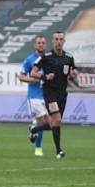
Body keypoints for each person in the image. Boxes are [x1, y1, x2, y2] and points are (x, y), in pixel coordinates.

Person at [30, 30, 78, 160]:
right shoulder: (46, 56)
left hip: (62, 93)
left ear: (64, 41)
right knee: (57, 120)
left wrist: (73, 75)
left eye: (61, 39)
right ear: (53, 41)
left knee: (54, 123)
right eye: (56, 39)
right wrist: (45, 76)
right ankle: (59, 151)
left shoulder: (69, 57)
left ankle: (34, 130)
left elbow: (71, 74)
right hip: (50, 93)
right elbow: (33, 73)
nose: (58, 42)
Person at [18, 36, 48, 157]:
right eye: (39, 43)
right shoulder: (29, 60)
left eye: (43, 42)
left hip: (46, 96)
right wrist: (32, 79)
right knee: (42, 122)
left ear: (46, 45)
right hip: (34, 97)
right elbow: (21, 76)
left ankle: (33, 130)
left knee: (46, 123)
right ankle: (38, 148)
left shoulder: (48, 60)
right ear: (35, 45)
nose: (41, 45)